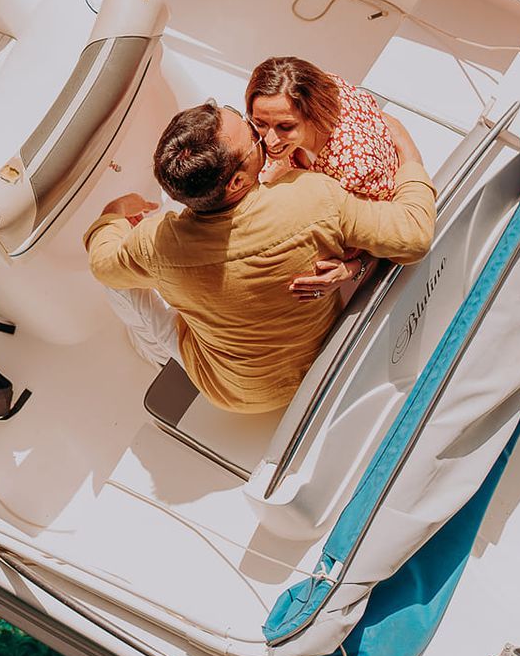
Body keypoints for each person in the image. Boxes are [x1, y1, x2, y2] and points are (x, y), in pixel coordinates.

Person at [85, 102, 437, 413]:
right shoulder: (312, 197)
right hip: (321, 361)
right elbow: (414, 237)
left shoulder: (155, 244)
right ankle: (154, 352)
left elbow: (101, 264)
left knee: (118, 284)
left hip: (237, 395)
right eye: (253, 135)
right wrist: (410, 159)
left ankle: (152, 348)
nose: (260, 133)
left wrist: (113, 213)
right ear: (237, 182)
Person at [248, 56, 428, 300]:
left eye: (285, 127)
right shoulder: (322, 85)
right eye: (260, 123)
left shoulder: (355, 165)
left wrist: (354, 267)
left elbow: (389, 229)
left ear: (313, 113)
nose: (270, 140)